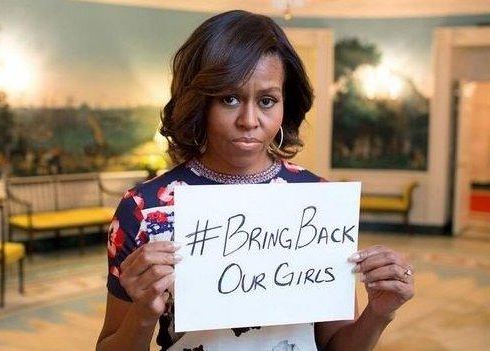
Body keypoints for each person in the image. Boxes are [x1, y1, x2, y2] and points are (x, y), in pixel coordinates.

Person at [97, 10, 414, 351]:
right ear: (199, 101)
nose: (249, 120)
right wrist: (143, 314)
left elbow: (336, 345)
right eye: (229, 98)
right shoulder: (145, 209)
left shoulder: (317, 202)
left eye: (267, 101)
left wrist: (379, 313)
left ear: (284, 104)